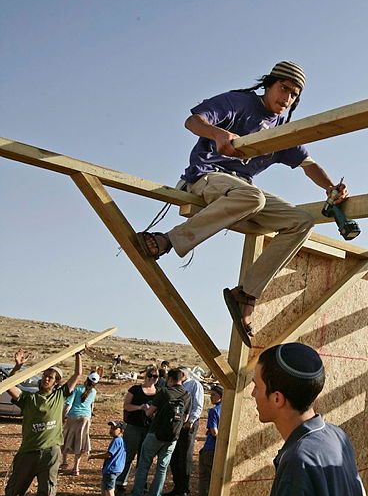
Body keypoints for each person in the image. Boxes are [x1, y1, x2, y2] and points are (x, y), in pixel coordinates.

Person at [134, 60, 350, 347]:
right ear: (269, 85)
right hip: (206, 177)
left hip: (242, 191)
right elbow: (192, 121)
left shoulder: (282, 130)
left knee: (302, 221)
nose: (287, 98)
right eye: (283, 88)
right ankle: (169, 240)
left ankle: (246, 295)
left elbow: (308, 164)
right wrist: (218, 133)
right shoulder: (240, 103)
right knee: (252, 196)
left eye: (294, 94)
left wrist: (331, 188)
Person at [252, 342, 366, 496]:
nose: (253, 393)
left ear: (277, 399)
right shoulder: (337, 435)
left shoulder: (297, 462)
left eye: (256, 386)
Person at [2, 349, 83, 496]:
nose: (46, 378)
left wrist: (78, 355)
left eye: (50, 377)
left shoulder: (60, 396)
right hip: (28, 452)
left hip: (50, 452)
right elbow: (9, 385)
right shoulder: (28, 398)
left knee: (46, 493)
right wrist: (17, 367)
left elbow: (77, 374)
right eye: (45, 375)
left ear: (56, 382)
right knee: (14, 491)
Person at [123, 368, 189, 496]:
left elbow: (149, 413)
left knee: (143, 466)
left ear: (170, 379)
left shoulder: (164, 392)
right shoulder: (186, 394)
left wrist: (148, 410)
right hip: (172, 437)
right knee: (162, 469)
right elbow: (185, 417)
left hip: (155, 433)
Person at [115, 366, 159, 496]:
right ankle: (120, 483)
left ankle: (140, 484)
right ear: (145, 376)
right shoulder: (135, 389)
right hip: (134, 426)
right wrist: (140, 407)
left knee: (144, 457)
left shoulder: (159, 392)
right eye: (150, 375)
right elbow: (126, 406)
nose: (152, 378)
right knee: (128, 455)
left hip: (149, 428)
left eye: (155, 376)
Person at [163, 367, 204, 496]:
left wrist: (191, 420)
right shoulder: (177, 386)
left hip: (188, 424)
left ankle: (184, 488)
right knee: (174, 454)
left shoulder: (194, 385)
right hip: (176, 423)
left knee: (185, 455)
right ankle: (177, 486)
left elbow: (197, 405)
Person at [60, 371, 101, 475]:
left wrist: (62, 416)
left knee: (66, 437)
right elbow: (91, 405)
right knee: (80, 440)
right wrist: (90, 417)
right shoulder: (94, 392)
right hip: (86, 417)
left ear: (87, 378)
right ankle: (76, 467)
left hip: (73, 416)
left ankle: (64, 462)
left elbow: (69, 404)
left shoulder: (77, 389)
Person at [196, 385, 222, 496]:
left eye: (214, 395)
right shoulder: (227, 410)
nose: (211, 397)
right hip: (219, 451)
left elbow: (214, 432)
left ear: (221, 396)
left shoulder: (214, 411)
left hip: (210, 449)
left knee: (205, 483)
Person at [91, 421, 127, 496]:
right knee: (104, 485)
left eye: (114, 428)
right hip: (117, 468)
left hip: (111, 469)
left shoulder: (116, 441)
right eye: (111, 428)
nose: (111, 430)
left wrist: (94, 456)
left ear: (121, 431)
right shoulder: (121, 440)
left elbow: (109, 455)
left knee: (110, 490)